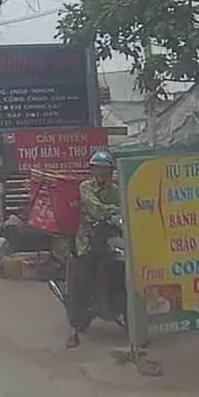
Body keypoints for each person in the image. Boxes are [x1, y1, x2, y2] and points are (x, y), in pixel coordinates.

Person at [66, 149, 122, 348]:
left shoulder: (116, 190)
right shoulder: (85, 187)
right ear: (92, 170)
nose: (102, 172)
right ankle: (74, 330)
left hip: (111, 237)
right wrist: (116, 211)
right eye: (98, 168)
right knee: (83, 280)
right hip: (88, 238)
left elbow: (128, 205)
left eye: (105, 169)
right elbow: (96, 209)